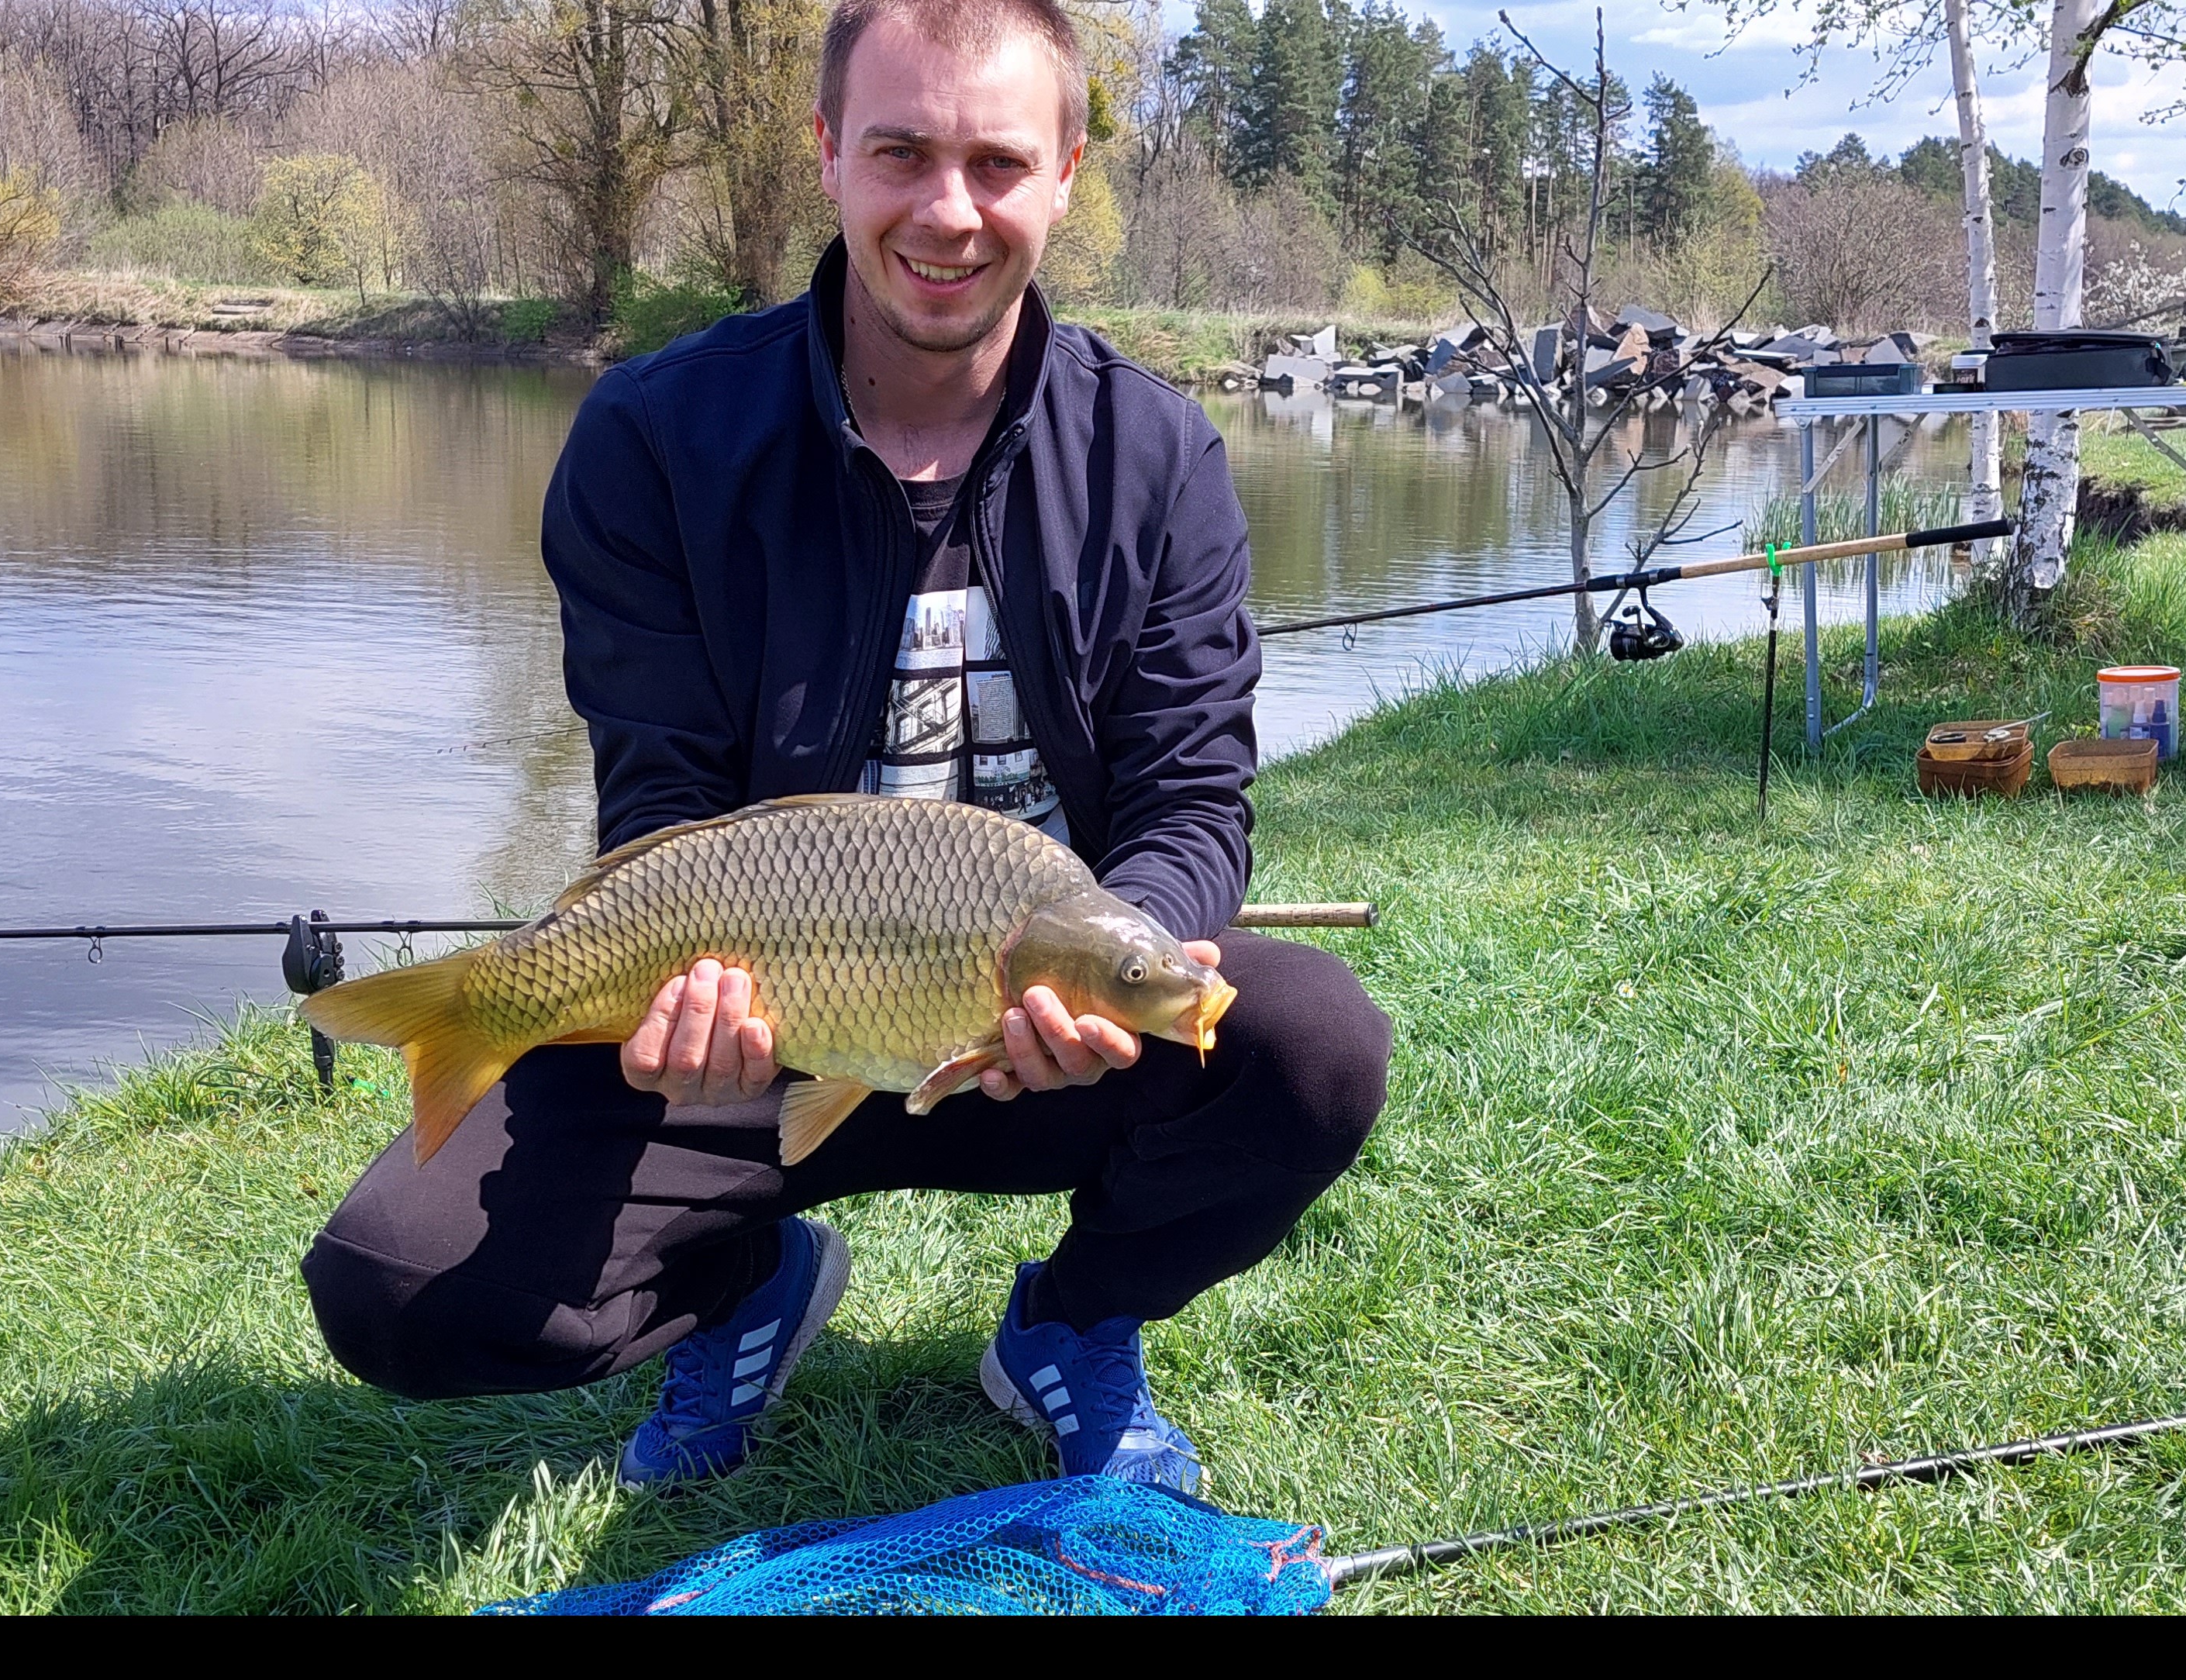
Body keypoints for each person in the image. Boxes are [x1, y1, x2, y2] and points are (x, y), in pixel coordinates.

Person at [302, 0, 1391, 1492]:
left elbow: (1192, 798)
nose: (948, 212)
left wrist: (1127, 951)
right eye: (899, 153)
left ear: (1066, 175)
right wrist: (677, 1009)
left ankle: (1076, 1323)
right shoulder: (653, 437)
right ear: (826, 152)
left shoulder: (1155, 454)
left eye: (997, 163)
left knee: (1313, 1049)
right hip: (751, 1033)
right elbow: (664, 793)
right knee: (397, 1288)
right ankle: (746, 1284)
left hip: (1042, 1024)